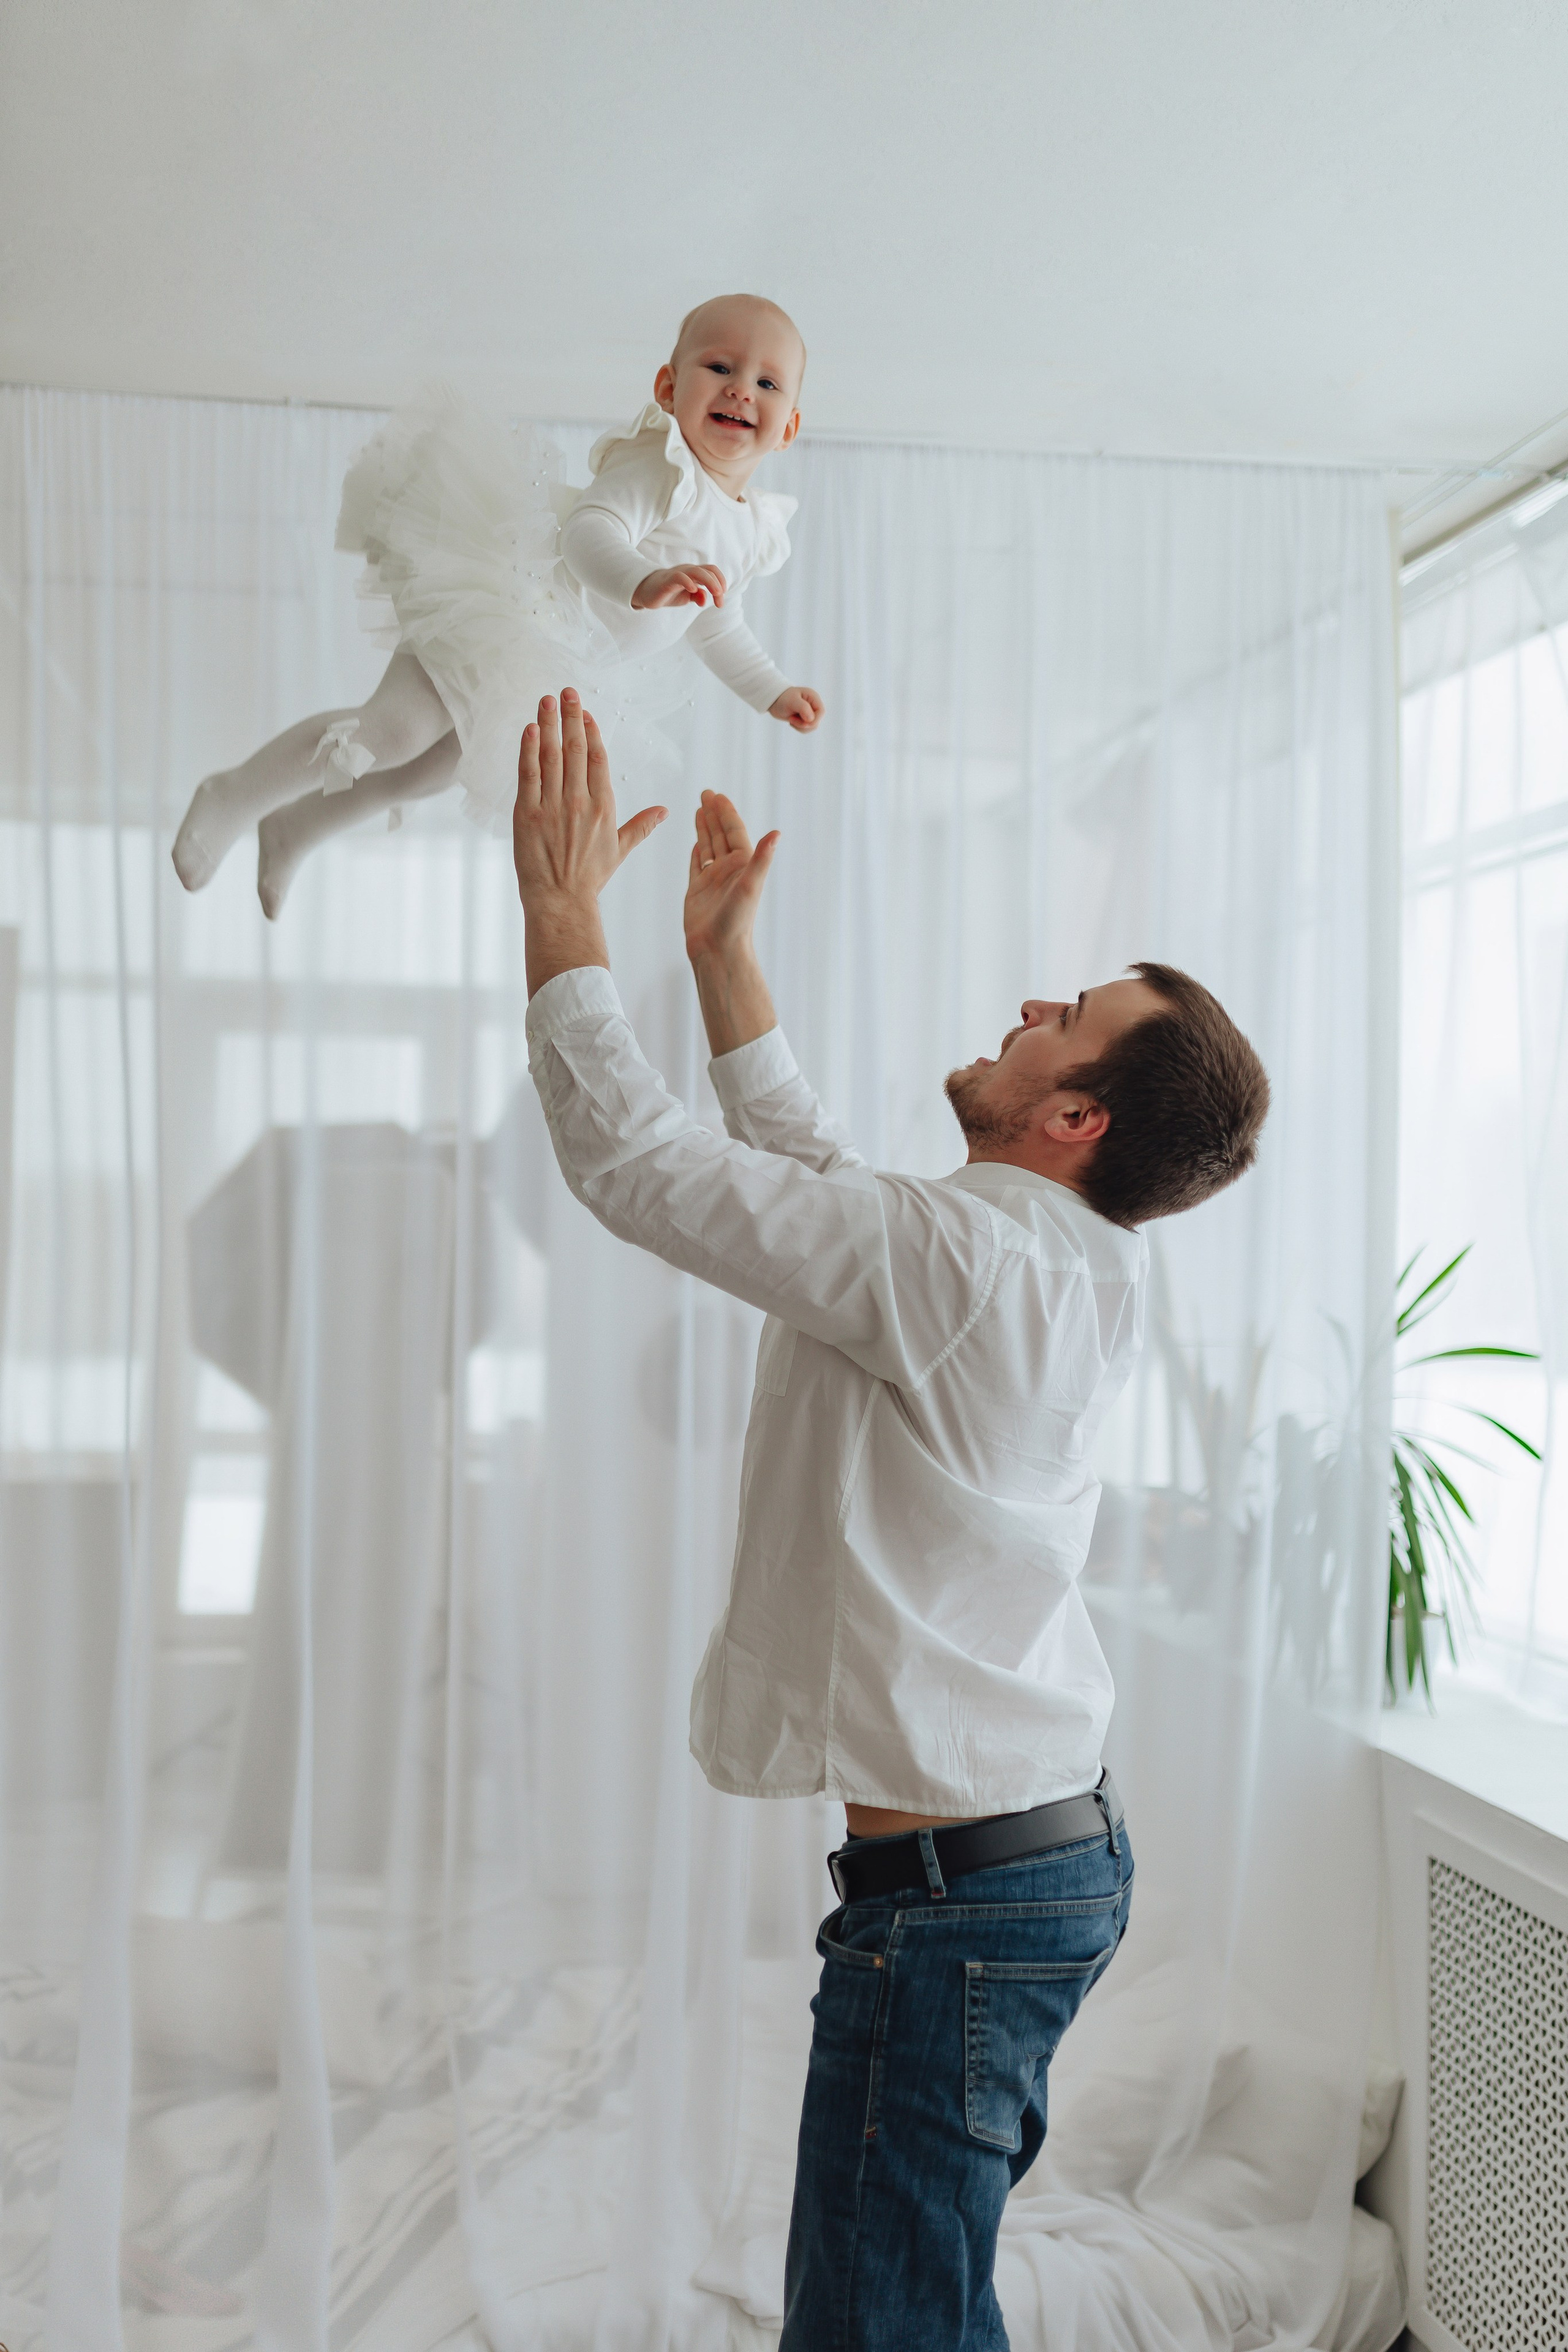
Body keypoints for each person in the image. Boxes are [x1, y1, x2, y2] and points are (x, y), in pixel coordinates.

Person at [516, 690, 1270, 2350]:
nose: (1026, 1006)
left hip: (971, 1897)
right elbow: (827, 1199)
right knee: (903, 2301)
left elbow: (639, 1166)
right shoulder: (1039, 1259)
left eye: (1067, 1015)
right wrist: (723, 961)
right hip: (1014, 1870)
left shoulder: (974, 1263)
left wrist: (558, 911)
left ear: (1075, 1119)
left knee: (876, 2323)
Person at [170, 293, 821, 916]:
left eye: (768, 384)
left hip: (551, 663)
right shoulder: (664, 470)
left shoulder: (752, 528)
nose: (741, 388)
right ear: (668, 389)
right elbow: (589, 532)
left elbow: (717, 623)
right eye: (719, 367)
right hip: (510, 608)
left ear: (788, 427)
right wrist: (641, 581)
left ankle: (296, 826)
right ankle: (231, 793)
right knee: (395, 730)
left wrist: (771, 690)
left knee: (428, 772)